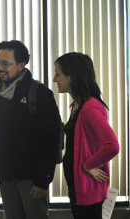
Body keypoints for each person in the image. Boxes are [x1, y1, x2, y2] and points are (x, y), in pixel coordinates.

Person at [0, 40, 61, 219]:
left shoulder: (39, 93)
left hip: (31, 180)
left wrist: (43, 181)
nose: (0, 68)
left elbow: (50, 141)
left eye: (5, 63)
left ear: (22, 65)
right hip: (5, 176)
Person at [53, 52, 120, 219]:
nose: (54, 79)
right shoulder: (78, 105)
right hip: (78, 189)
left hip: (88, 192)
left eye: (58, 74)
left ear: (73, 77)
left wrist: (88, 165)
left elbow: (112, 146)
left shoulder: (90, 108)